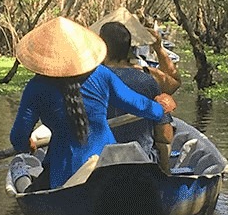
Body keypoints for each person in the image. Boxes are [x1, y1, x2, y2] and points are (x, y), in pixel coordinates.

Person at [10, 17, 176, 189]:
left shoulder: (36, 87)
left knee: (30, 190)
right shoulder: (101, 75)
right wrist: (161, 107)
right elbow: (139, 105)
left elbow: (18, 138)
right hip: (108, 164)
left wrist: (27, 144)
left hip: (63, 172)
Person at [99, 22, 174, 166]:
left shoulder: (89, 81)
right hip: (142, 162)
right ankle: (164, 177)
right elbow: (165, 136)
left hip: (100, 162)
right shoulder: (147, 81)